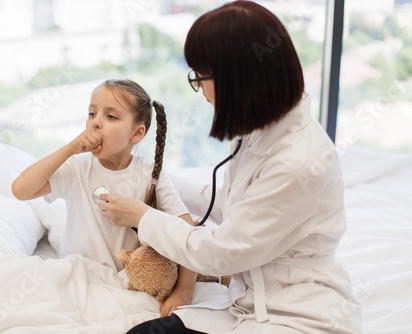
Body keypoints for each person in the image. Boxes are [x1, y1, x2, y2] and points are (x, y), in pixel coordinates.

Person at [98, 1, 362, 333]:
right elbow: (229, 201)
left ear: (238, 80)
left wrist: (143, 216)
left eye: (201, 77)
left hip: (298, 317)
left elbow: (221, 253)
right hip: (249, 302)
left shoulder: (298, 163)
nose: (200, 89)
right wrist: (150, 179)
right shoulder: (260, 134)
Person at [11, 79, 199, 317]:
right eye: (92, 113)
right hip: (79, 276)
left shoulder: (149, 174)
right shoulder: (77, 167)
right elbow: (20, 190)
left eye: (111, 117)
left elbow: (186, 230)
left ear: (136, 133)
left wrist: (185, 289)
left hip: (129, 281)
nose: (96, 122)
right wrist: (69, 148)